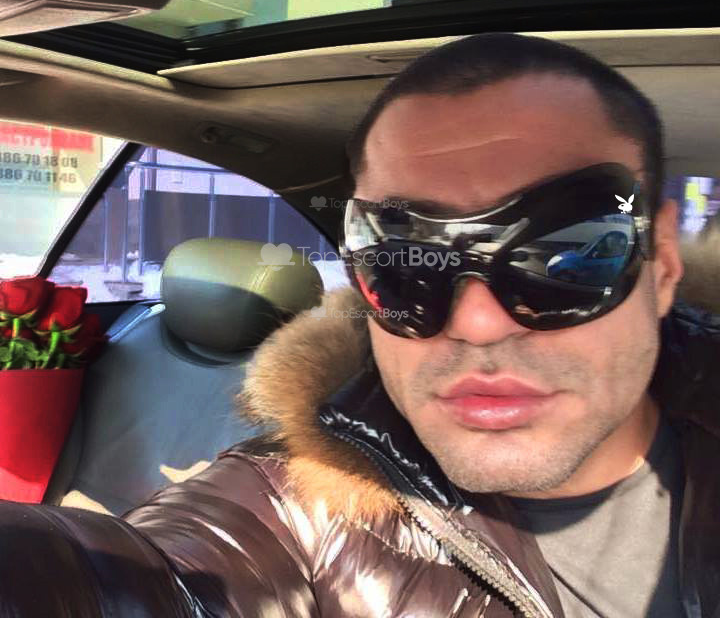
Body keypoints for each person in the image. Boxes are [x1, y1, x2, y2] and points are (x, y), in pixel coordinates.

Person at [0, 33, 718, 618]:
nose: (476, 323)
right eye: (406, 260)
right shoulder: (301, 502)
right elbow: (149, 580)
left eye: (565, 253)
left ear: (661, 262)